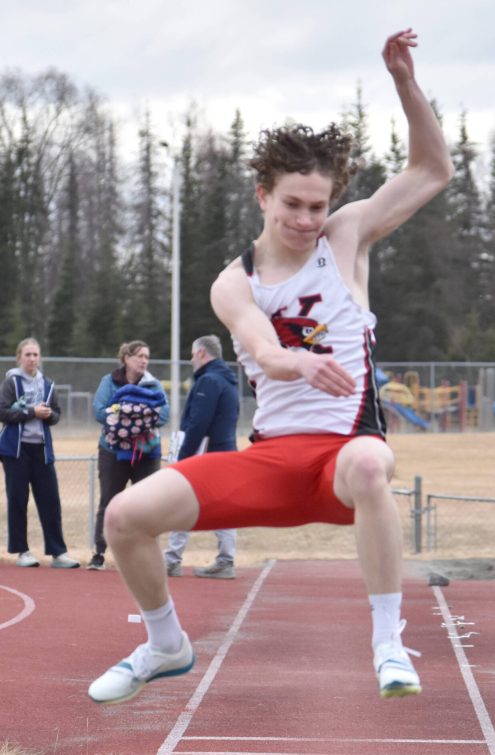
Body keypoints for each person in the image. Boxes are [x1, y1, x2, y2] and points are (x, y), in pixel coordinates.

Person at [88, 29, 453, 705]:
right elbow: (259, 347)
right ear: (262, 195)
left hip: (343, 459)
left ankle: (386, 641)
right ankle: (164, 644)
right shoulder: (235, 281)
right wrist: (295, 361)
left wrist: (404, 83)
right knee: (123, 516)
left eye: (317, 206)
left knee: (374, 464)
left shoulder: (345, 237)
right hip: (273, 462)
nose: (307, 219)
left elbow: (432, 170)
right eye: (292, 204)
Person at [87, 340, 169, 570]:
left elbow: (164, 415)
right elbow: (99, 410)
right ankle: (98, 553)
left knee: (146, 505)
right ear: (126, 358)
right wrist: (129, 415)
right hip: (113, 451)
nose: (144, 360)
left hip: (147, 453)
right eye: (139, 356)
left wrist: (131, 418)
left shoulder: (153, 385)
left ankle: (144, 556)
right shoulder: (109, 381)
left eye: (147, 356)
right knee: (109, 502)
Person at [164, 334, 239, 580]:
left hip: (206, 454)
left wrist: (184, 456)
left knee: (180, 501)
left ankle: (172, 560)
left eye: (192, 353)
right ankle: (225, 559)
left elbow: (198, 423)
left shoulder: (209, 381)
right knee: (223, 506)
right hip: (225, 451)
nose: (190, 359)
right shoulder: (228, 380)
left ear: (201, 353)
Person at [0, 338, 80, 568]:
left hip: (41, 451)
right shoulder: (11, 383)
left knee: (50, 500)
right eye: (28, 355)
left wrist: (48, 415)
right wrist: (31, 412)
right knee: (18, 499)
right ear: (19, 358)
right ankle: (22, 551)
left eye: (36, 355)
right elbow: (3, 412)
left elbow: (56, 413)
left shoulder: (47, 384)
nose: (32, 359)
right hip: (15, 451)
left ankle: (58, 553)